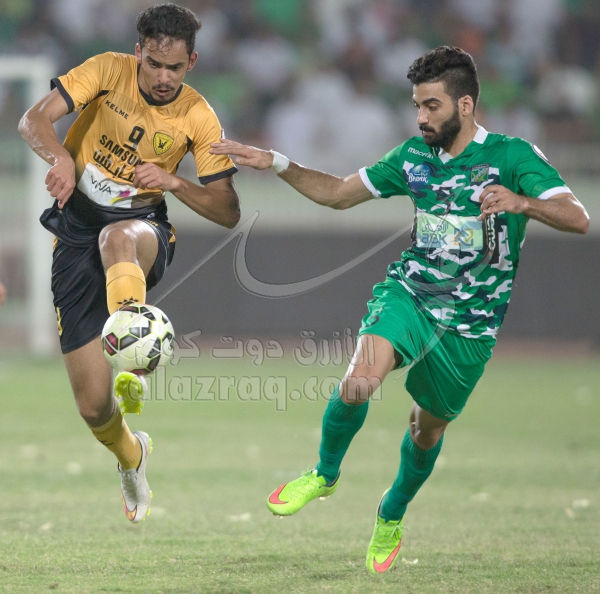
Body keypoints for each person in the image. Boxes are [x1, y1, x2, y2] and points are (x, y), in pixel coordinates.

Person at [210, 46, 589, 574]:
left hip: (472, 325)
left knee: (425, 431)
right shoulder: (412, 158)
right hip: (411, 294)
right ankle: (324, 474)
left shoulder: (513, 156)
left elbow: (578, 217)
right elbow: (338, 194)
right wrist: (276, 162)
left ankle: (390, 512)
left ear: (465, 105)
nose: (421, 118)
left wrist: (523, 202)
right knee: (359, 381)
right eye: (417, 106)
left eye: (432, 106)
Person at [19, 4, 240, 523]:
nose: (164, 78)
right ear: (138, 52)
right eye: (154, 64)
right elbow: (33, 119)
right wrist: (61, 158)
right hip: (75, 235)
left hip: (142, 232)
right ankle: (132, 454)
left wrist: (175, 182)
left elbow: (228, 211)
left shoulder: (198, 115)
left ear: (191, 63)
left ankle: (132, 356)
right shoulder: (105, 70)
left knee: (117, 236)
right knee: (94, 407)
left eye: (175, 68)